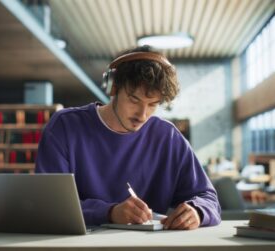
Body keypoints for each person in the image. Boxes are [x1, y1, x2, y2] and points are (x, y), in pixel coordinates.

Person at [35, 45, 221, 230]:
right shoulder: (65, 126)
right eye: (134, 100)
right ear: (113, 87)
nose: (142, 115)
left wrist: (197, 212)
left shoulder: (168, 137)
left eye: (153, 104)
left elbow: (208, 198)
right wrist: (109, 212)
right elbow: (49, 204)